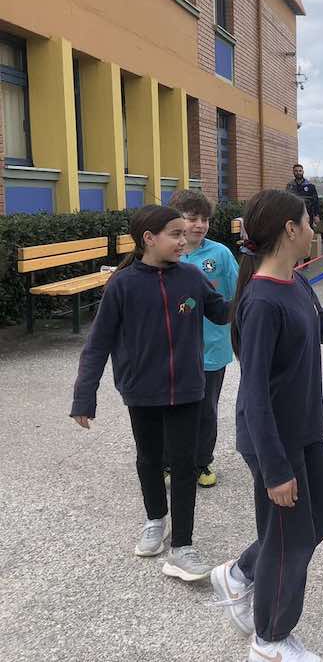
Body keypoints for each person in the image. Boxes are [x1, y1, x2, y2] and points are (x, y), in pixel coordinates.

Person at [210, 189, 323, 662]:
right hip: (273, 440)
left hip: (305, 429)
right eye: (309, 221)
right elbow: (254, 394)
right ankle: (270, 640)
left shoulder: (295, 282)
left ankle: (240, 573)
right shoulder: (260, 302)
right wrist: (275, 469)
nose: (315, 228)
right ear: (290, 229)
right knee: (291, 541)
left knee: (321, 520)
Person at [71, 204, 229, 583]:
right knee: (149, 459)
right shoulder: (123, 284)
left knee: (185, 464)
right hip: (141, 390)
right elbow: (98, 343)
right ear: (148, 239)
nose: (184, 240)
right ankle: (155, 520)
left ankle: (182, 548)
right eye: (175, 234)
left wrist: (254, 292)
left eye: (184, 234)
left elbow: (221, 312)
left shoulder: (191, 277)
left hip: (188, 388)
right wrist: (84, 396)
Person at [172, 189, 239, 488]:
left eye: (205, 219)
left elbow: (239, 294)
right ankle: (170, 462)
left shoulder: (220, 254)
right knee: (171, 408)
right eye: (192, 218)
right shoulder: (167, 253)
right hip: (172, 349)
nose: (199, 225)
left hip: (212, 349)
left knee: (205, 409)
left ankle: (201, 462)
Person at [286, 163, 323, 239]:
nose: (298, 172)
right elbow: (287, 201)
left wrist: (316, 215)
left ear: (303, 172)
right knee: (295, 232)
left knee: (307, 232)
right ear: (293, 172)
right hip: (294, 214)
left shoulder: (310, 186)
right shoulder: (290, 186)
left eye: (300, 171)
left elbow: (315, 201)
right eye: (296, 171)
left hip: (307, 213)